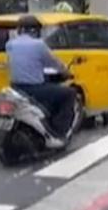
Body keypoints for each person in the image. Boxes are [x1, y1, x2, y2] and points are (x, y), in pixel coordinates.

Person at [6, 15, 77, 148]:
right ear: (34, 31)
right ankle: (59, 132)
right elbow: (53, 62)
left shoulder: (10, 45)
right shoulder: (39, 45)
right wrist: (66, 72)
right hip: (33, 89)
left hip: (15, 87)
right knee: (70, 93)